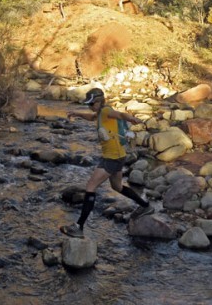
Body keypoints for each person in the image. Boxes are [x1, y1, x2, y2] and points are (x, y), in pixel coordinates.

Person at [60, 87, 153, 238]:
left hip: (112, 158)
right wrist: (77, 113)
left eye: (91, 104)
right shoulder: (99, 114)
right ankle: (146, 206)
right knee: (117, 186)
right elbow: (92, 117)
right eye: (88, 105)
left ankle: (79, 227)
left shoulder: (106, 111)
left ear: (99, 101)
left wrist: (131, 118)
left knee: (91, 186)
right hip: (118, 156)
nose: (90, 107)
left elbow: (120, 114)